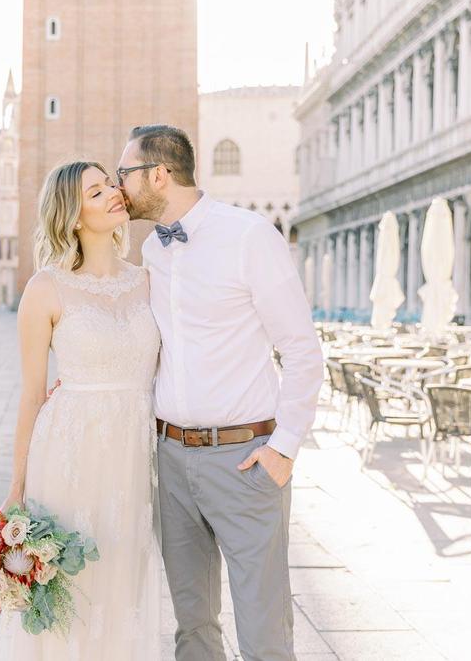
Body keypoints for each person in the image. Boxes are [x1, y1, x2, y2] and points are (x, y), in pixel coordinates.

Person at [118, 124, 324, 661]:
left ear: (158, 174)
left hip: (244, 460)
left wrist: (285, 448)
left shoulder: (249, 235)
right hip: (172, 460)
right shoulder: (153, 251)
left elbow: (301, 349)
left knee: (263, 631)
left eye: (126, 173)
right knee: (192, 624)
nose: (120, 186)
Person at [0, 160, 161, 660]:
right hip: (69, 453)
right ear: (72, 215)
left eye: (110, 183)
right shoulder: (45, 288)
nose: (114, 192)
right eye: (96, 191)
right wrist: (16, 487)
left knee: (124, 581)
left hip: (134, 451)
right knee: (72, 587)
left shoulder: (150, 281)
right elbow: (32, 395)